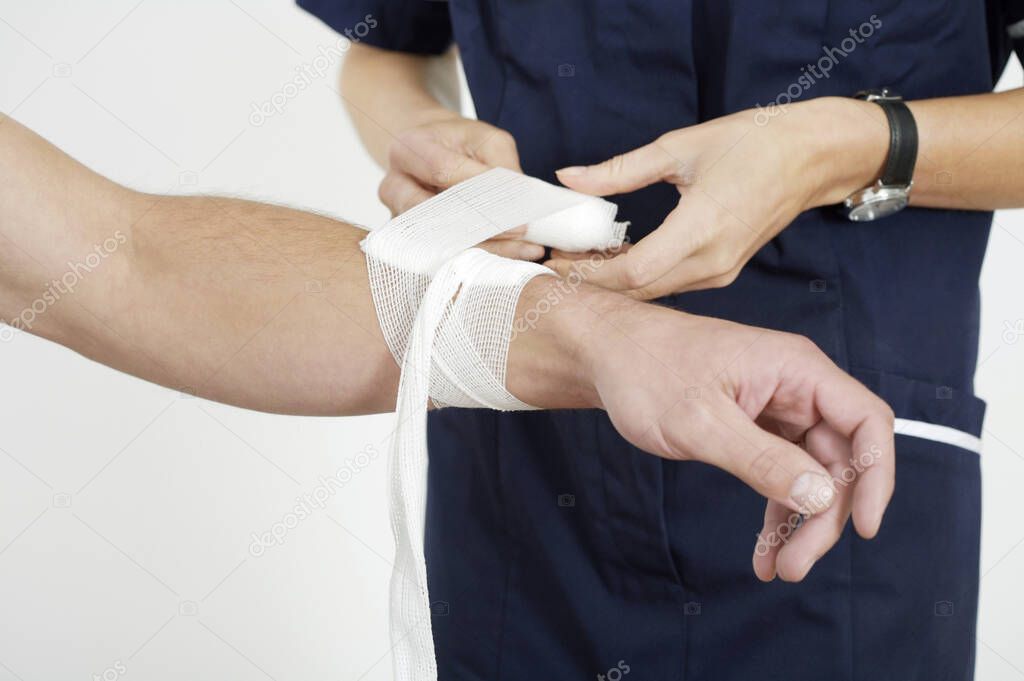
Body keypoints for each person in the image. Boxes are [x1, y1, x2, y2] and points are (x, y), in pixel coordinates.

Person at [298, 1, 1024, 678]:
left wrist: (839, 148)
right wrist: (426, 143)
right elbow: (388, 51)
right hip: (526, 482)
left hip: (831, 461)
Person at [0, 113, 892, 560]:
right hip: (520, 492)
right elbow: (105, 267)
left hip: (835, 415)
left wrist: (606, 340)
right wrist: (598, 336)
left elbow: (119, 262)